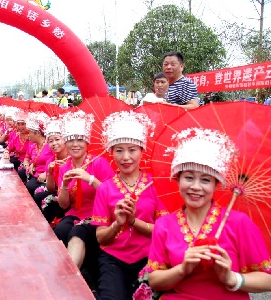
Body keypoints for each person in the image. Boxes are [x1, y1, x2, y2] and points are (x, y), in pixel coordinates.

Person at [147, 128, 271, 299]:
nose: (196, 187)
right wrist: (182, 269)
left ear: (216, 185)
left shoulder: (239, 223)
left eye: (205, 180)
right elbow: (154, 280)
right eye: (189, 177)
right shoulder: (164, 224)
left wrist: (231, 278)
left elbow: (267, 280)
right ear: (177, 179)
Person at [91, 111, 168, 300]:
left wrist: (133, 222)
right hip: (113, 260)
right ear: (111, 152)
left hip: (149, 258)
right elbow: (101, 238)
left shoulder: (155, 185)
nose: (126, 157)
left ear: (142, 151)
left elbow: (164, 231)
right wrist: (118, 223)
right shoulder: (105, 188)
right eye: (119, 150)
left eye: (132, 150)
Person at [54, 111, 114, 287]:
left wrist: (90, 179)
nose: (75, 144)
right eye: (71, 140)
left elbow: (112, 195)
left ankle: (69, 282)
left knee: (78, 232)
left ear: (87, 142)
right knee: (60, 230)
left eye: (79, 140)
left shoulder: (99, 163)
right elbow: (64, 205)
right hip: (75, 214)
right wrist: (64, 185)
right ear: (66, 143)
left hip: (97, 215)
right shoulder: (65, 167)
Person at [23, 112, 52, 197]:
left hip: (47, 176)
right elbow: (26, 158)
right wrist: (27, 165)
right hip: (35, 174)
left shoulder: (50, 145)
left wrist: (46, 174)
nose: (28, 135)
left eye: (30, 132)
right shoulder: (33, 145)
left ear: (38, 133)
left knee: (36, 192)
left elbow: (57, 161)